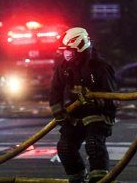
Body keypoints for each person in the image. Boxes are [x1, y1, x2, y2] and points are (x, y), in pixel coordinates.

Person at [49, 27, 117, 183]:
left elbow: (111, 96)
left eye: (69, 49)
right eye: (64, 50)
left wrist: (96, 101)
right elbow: (55, 91)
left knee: (94, 144)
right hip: (75, 114)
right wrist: (59, 113)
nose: (66, 53)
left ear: (80, 46)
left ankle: (99, 178)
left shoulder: (99, 66)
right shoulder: (64, 67)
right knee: (65, 147)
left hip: (98, 114)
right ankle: (77, 177)